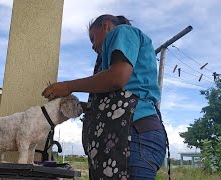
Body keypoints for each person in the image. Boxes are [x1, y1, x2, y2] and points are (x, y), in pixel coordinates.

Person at [42, 14, 167, 180]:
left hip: (133, 134)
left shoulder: (123, 32)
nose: (93, 46)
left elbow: (117, 77)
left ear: (106, 25)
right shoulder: (109, 60)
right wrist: (75, 105)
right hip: (128, 135)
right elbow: (112, 102)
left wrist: (68, 86)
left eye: (93, 38)